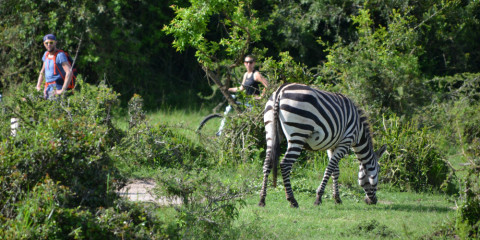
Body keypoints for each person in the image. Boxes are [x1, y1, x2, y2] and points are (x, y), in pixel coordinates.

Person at [216, 55, 268, 136]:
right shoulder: (246, 75)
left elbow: (267, 85)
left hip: (254, 104)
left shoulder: (256, 74)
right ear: (244, 63)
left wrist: (261, 96)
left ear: (254, 63)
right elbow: (241, 88)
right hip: (246, 102)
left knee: (249, 124)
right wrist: (227, 89)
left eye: (250, 62)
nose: (248, 64)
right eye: (246, 62)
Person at [36, 34, 73, 100]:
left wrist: (62, 90)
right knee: (27, 99)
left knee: (52, 109)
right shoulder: (46, 54)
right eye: (46, 43)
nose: (49, 45)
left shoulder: (60, 55)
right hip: (46, 87)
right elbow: (42, 71)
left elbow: (69, 72)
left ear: (55, 43)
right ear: (44, 44)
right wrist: (38, 86)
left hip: (56, 87)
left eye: (51, 42)